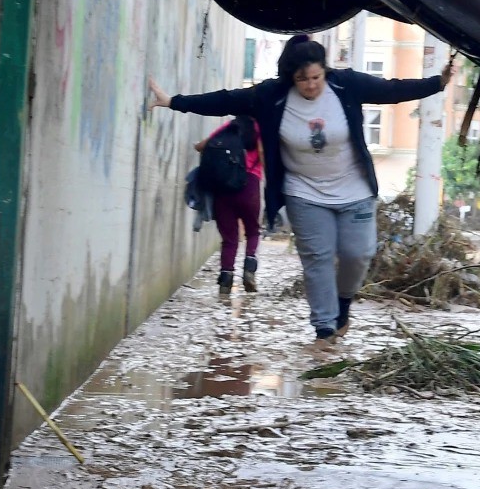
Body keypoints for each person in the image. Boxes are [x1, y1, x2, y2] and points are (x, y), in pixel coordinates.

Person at [147, 35, 453, 343]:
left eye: (316, 77)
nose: (310, 85)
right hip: (303, 192)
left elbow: (393, 89)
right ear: (291, 77)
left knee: (357, 254)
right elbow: (226, 99)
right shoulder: (271, 96)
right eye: (302, 79)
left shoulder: (346, 85)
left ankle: (343, 303)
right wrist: (175, 101)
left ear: (326, 71)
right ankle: (324, 331)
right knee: (317, 258)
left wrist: (436, 83)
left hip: (355, 190)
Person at [196, 115, 263, 292]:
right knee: (253, 231)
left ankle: (226, 279)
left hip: (223, 188)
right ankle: (249, 268)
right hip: (250, 186)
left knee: (229, 239)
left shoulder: (229, 127)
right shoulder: (261, 128)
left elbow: (202, 146)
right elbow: (264, 154)